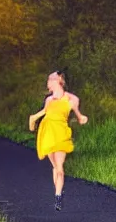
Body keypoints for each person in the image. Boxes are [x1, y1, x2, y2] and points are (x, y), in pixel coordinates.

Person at [29, 71, 88, 211]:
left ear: (58, 80)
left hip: (61, 133)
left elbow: (79, 115)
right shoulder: (49, 100)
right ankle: (58, 191)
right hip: (48, 132)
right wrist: (33, 120)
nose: (48, 82)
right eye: (49, 79)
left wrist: (82, 118)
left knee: (59, 168)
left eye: (50, 79)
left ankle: (58, 196)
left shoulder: (72, 99)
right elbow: (44, 112)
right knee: (55, 166)